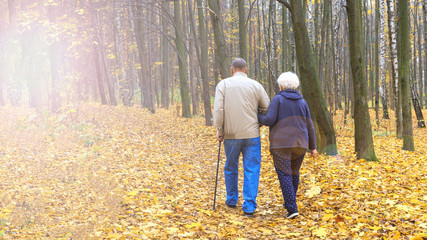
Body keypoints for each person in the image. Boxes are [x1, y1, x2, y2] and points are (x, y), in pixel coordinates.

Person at [213, 58, 270, 216]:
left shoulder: (223, 85)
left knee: (231, 167)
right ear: (245, 70)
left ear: (232, 70)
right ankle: (249, 206)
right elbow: (266, 107)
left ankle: (231, 199)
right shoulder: (255, 85)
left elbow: (218, 110)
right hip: (252, 134)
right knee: (251, 168)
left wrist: (220, 130)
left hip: (231, 134)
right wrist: (258, 121)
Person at [258, 72, 318, 219]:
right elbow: (310, 126)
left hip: (281, 143)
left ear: (281, 85)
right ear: (295, 85)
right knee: (293, 173)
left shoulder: (278, 100)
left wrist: (256, 114)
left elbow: (269, 120)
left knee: (284, 173)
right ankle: (290, 202)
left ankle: (292, 208)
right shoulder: (302, 102)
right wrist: (313, 147)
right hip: (300, 144)